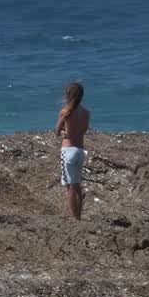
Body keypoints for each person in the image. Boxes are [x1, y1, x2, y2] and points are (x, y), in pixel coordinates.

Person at [54, 82, 90, 220]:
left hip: (68, 150)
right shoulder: (86, 113)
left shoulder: (65, 112)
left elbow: (57, 131)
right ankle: (79, 216)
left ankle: (74, 218)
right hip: (80, 150)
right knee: (77, 185)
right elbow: (83, 131)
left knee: (70, 187)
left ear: (68, 95)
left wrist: (64, 132)